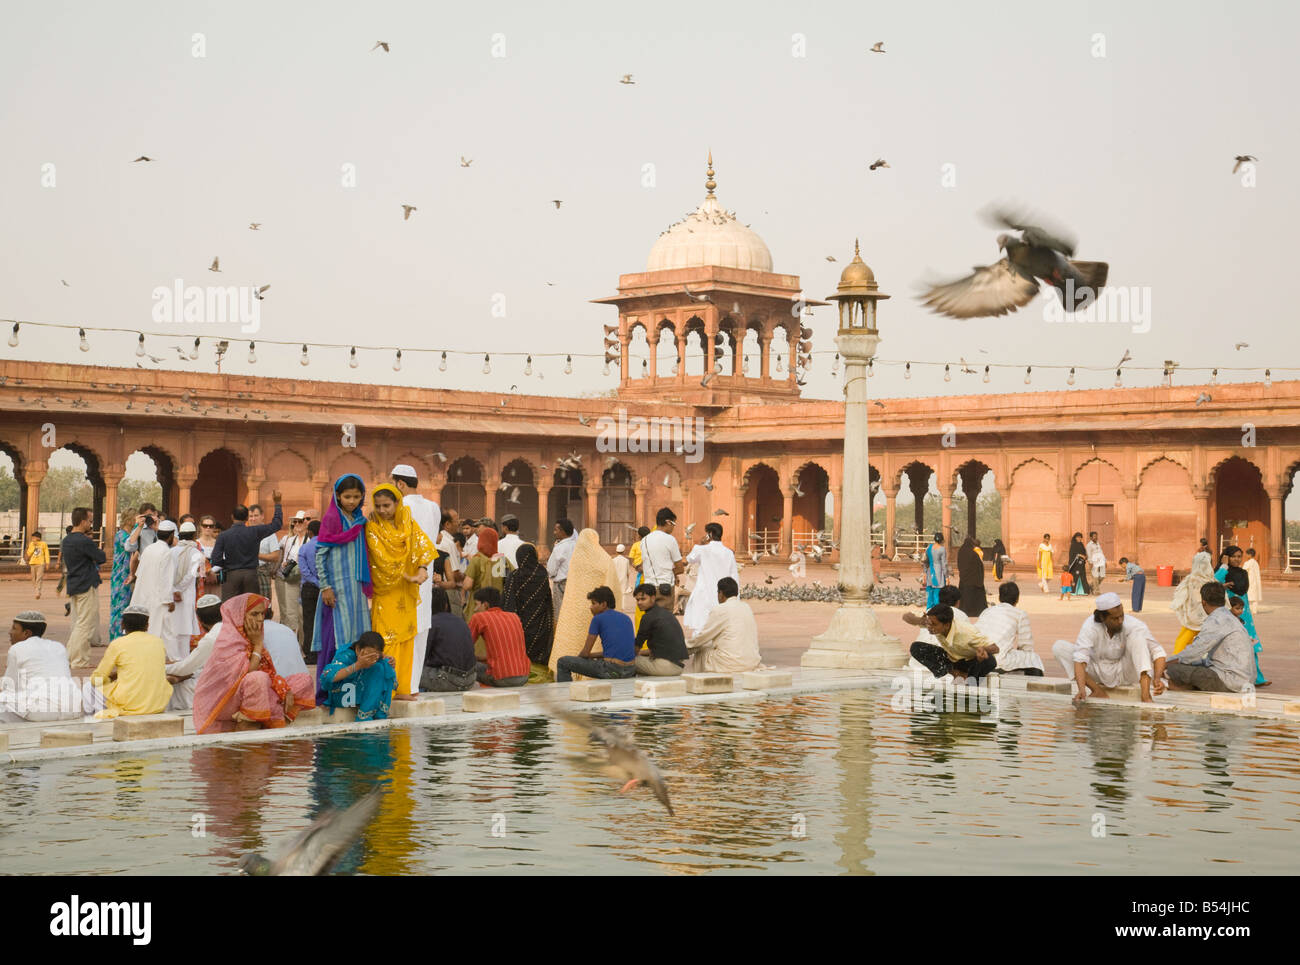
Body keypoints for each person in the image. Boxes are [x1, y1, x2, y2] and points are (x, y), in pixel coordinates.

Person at [193, 593, 316, 733]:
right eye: (254, 614)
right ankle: (247, 725)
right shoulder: (226, 641)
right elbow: (248, 673)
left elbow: (269, 672)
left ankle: (270, 719)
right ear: (240, 616)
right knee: (257, 679)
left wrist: (284, 689)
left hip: (255, 693)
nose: (260, 619)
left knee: (303, 680)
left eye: (262, 614)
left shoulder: (254, 636)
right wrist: (257, 644)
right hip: (225, 701)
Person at [366, 483, 434, 699]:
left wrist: (422, 569)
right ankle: (387, 689)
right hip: (387, 591)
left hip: (406, 591)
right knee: (388, 639)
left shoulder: (408, 522)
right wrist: (407, 573)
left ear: (397, 502)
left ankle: (403, 687)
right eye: (378, 506)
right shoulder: (373, 527)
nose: (383, 510)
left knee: (406, 639)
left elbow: (422, 546)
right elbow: (381, 560)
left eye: (387, 505)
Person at [313, 475, 372, 700]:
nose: (352, 501)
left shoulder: (359, 520)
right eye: (347, 496)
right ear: (338, 495)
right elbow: (321, 554)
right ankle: (329, 692)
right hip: (336, 590)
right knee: (336, 639)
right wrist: (325, 587)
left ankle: (354, 691)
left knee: (359, 638)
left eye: (357, 497)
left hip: (355, 591)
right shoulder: (332, 518)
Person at [1051, 592, 1167, 702]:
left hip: (1124, 672)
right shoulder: (1090, 626)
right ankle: (1098, 691)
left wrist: (1157, 678)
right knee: (1059, 647)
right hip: (1096, 671)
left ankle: (1146, 696)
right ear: (1102, 617)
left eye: (1122, 616)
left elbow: (1158, 652)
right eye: (1115, 618)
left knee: (1138, 637)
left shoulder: (1134, 624)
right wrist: (1081, 690)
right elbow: (1080, 659)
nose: (1120, 621)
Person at [391, 465, 441, 689]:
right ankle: (411, 687)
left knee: (400, 632)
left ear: (400, 484)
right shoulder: (433, 507)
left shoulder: (399, 507)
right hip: (425, 578)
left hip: (403, 578)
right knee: (420, 630)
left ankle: (401, 686)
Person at [1166, 583, 1256, 694]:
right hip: (1244, 679)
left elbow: (1195, 651)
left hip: (1231, 682)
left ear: (1203, 602)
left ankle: (1184, 687)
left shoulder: (1216, 619)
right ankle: (1188, 686)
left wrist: (1166, 663)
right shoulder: (1229, 617)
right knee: (1190, 664)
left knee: (1173, 669)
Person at [90, 605, 173, 719]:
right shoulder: (158, 642)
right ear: (147, 626)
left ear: (122, 625)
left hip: (129, 704)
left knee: (89, 686)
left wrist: (110, 678)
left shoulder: (117, 644)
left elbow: (97, 678)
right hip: (157, 704)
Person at [1, 611, 82, 722]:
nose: (10, 632)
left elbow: (10, 687)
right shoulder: (58, 646)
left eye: (14, 628)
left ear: (26, 633)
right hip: (73, 709)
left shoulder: (17, 649)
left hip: (42, 711)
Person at [555, 585, 637, 681]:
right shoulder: (626, 618)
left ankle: (565, 694)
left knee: (563, 662)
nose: (591, 607)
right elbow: (616, 651)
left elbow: (585, 653)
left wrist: (578, 661)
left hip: (612, 670)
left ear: (603, 604)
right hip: (630, 670)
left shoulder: (597, 619)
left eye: (593, 603)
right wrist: (592, 656)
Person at [211, 494, 284, 600]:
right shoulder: (255, 531)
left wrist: (229, 564)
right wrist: (277, 503)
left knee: (231, 608)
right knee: (250, 608)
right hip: (251, 575)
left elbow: (216, 559)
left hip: (232, 575)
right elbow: (277, 524)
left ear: (232, 517)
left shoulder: (224, 535)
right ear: (246, 518)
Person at [1215, 546, 1268, 686]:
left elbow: (1243, 589)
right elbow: (1213, 583)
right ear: (1226, 557)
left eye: (1239, 556)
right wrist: (1224, 566)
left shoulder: (1243, 572)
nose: (1237, 559)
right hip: (1227, 613)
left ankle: (1258, 678)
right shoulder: (1222, 571)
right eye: (1234, 556)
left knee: (1250, 644)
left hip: (1245, 615)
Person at [686, 576, 761, 674]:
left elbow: (702, 637)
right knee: (710, 645)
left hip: (731, 664)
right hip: (751, 662)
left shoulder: (720, 610)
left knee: (701, 650)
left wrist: (683, 646)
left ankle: (699, 682)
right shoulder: (746, 607)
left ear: (721, 594)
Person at [908, 604, 999, 682]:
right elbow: (907, 617)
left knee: (989, 660)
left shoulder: (967, 632)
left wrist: (983, 649)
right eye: (929, 623)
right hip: (953, 662)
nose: (929, 627)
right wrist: (920, 620)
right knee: (916, 647)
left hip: (970, 662)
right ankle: (955, 673)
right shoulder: (933, 624)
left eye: (933, 624)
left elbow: (995, 648)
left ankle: (970, 679)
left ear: (946, 625)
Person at [62, 507, 106, 669]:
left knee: (80, 624)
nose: (91, 524)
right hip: (86, 584)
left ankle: (69, 657)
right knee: (85, 625)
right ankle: (79, 660)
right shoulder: (84, 541)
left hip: (74, 583)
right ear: (82, 522)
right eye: (90, 521)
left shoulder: (66, 540)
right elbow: (101, 557)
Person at [320, 630, 398, 721]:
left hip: (359, 692)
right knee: (377, 668)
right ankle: (364, 716)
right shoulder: (345, 655)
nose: (370, 656)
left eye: (375, 654)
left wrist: (389, 661)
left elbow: (380, 659)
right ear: (357, 649)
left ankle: (380, 714)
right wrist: (357, 665)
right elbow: (327, 677)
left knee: (385, 666)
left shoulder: (376, 656)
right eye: (368, 653)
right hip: (343, 695)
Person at [164, 594, 224, 711]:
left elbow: (184, 669)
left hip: (218, 688)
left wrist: (161, 667)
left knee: (177, 688)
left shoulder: (211, 638)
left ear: (200, 620)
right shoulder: (229, 629)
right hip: (223, 681)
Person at [501, 542, 555, 670]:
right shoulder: (542, 573)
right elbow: (547, 598)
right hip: (540, 624)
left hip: (520, 623)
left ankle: (521, 668)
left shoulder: (515, 576)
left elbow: (509, 601)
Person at [976, 582, 1044, 675]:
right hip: (998, 660)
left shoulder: (987, 611)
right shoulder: (1020, 614)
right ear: (1017, 599)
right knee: (1033, 658)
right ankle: (1035, 687)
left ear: (1000, 597)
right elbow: (1026, 645)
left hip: (978, 656)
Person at [468, 587, 531, 687]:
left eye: (476, 605)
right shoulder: (514, 616)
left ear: (485, 605)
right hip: (524, 675)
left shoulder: (479, 617)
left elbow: (465, 646)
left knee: (468, 667)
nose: (475, 609)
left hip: (500, 677)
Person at [683, 522, 740, 634]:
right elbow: (734, 576)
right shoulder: (728, 553)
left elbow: (689, 559)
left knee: (700, 628)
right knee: (721, 628)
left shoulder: (701, 549)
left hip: (704, 594)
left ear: (709, 534)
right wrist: (736, 598)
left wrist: (701, 544)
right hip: (722, 595)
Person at [419, 587, 478, 692]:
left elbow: (422, 656)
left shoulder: (430, 623)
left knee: (410, 672)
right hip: (470, 680)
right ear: (446, 605)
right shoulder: (461, 621)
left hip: (448, 680)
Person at [163, 521, 207, 662]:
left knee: (173, 629)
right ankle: (183, 662)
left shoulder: (171, 551)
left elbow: (166, 574)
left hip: (172, 595)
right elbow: (191, 576)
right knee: (184, 630)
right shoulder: (197, 554)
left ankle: (173, 660)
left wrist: (174, 590)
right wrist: (179, 590)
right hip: (185, 596)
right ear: (194, 535)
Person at [129, 519, 178, 644]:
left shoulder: (149, 549)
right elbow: (166, 579)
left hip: (144, 595)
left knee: (147, 630)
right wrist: (169, 600)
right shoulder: (167, 552)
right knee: (161, 632)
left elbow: (139, 573)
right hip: (159, 598)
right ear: (172, 535)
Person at [632, 582, 687, 676]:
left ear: (653, 598)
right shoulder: (667, 613)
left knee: (627, 661)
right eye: (637, 600)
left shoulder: (648, 617)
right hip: (678, 667)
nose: (639, 603)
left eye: (643, 599)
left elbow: (636, 648)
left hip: (665, 667)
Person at [640, 508, 684, 612]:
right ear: (668, 522)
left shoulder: (644, 540)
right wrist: (672, 572)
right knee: (664, 621)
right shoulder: (670, 539)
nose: (673, 527)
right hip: (665, 588)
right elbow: (680, 568)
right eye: (673, 524)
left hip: (649, 588)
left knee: (651, 619)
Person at [1170, 552, 1215, 653]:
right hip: (1202, 617)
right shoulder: (1207, 580)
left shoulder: (1192, 579)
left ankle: (1176, 659)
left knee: (1184, 641)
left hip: (1193, 617)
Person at [274, 511, 308, 637]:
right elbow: (284, 557)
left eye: (300, 521)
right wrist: (284, 564)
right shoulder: (289, 540)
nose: (297, 524)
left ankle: (302, 645)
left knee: (303, 613)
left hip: (306, 579)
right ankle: (291, 642)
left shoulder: (310, 540)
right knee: (290, 613)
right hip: (291, 579)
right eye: (295, 521)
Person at [460, 524, 504, 621]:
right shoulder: (501, 560)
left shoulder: (477, 559)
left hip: (478, 606)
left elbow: (467, 585)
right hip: (496, 606)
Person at [108, 510, 137, 640]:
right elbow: (130, 546)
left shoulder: (127, 534)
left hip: (125, 573)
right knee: (120, 606)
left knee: (124, 605)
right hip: (121, 574)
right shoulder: (122, 535)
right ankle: (117, 636)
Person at [545, 517, 578, 616]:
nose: (554, 532)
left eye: (556, 530)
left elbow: (551, 570)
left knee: (560, 615)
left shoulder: (560, 548)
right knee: (572, 614)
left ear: (563, 531)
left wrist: (552, 576)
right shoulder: (577, 545)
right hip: (575, 583)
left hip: (561, 585)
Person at [298, 519, 321, 657]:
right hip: (326, 588)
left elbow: (304, 571)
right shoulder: (327, 547)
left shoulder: (304, 548)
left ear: (310, 533)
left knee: (309, 621)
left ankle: (310, 654)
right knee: (323, 621)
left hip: (309, 588)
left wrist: (314, 581)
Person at [956, 535, 987, 618]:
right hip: (974, 580)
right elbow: (978, 566)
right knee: (974, 596)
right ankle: (975, 611)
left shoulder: (961, 551)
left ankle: (964, 611)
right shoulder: (973, 553)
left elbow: (960, 564)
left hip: (964, 579)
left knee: (965, 597)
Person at [197, 514, 221, 593]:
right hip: (200, 580)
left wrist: (212, 572)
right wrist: (206, 573)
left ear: (214, 527)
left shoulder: (219, 543)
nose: (208, 528)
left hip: (215, 580)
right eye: (205, 525)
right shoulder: (196, 543)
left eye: (210, 526)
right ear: (200, 526)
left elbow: (222, 560)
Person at [923, 533, 948, 608]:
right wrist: (947, 577)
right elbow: (944, 564)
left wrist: (924, 573)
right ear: (942, 540)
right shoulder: (942, 549)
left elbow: (925, 561)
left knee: (930, 592)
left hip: (930, 571)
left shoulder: (928, 548)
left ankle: (929, 609)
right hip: (938, 571)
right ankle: (937, 610)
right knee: (937, 593)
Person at [23, 530, 49, 599]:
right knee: (33, 579)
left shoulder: (43, 544)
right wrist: (33, 546)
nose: (32, 539)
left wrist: (47, 563)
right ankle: (37, 590)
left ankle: (37, 592)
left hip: (41, 563)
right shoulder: (31, 544)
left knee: (39, 578)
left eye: (33, 538)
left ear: (38, 538)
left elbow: (46, 553)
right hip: (32, 563)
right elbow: (29, 553)